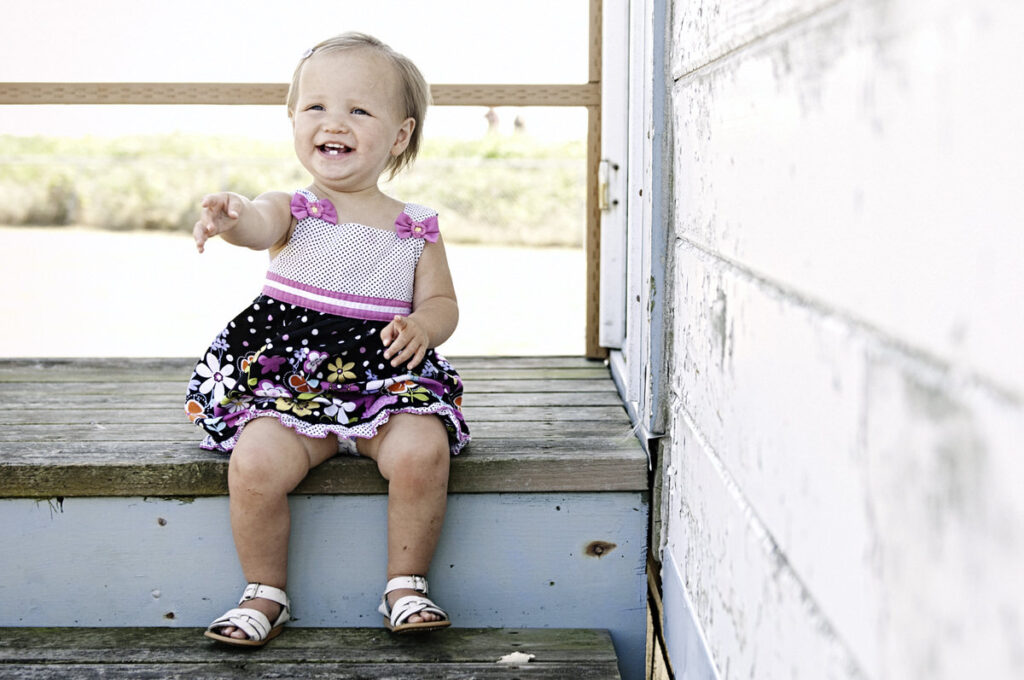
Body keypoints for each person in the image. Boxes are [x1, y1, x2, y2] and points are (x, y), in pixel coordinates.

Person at [184, 32, 470, 647]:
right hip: (292, 385)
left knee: (423, 451)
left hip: (386, 384)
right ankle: (264, 592)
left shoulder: (415, 225)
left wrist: (424, 325)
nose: (332, 122)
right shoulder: (293, 208)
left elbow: (443, 304)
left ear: (398, 135)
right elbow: (257, 226)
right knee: (255, 462)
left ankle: (406, 584)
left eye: (359, 110)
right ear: (293, 119)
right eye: (315, 107)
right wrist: (232, 214)